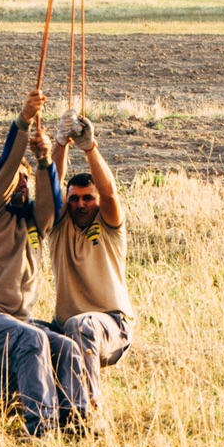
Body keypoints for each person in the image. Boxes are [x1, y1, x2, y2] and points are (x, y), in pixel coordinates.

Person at [0, 90, 83, 437]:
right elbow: (10, 163)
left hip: (16, 321)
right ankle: (41, 428)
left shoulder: (35, 223)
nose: (22, 184)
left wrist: (44, 161)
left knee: (67, 347)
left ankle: (79, 422)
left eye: (27, 181)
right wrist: (24, 122)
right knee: (32, 341)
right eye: (17, 180)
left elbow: (51, 204)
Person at [47, 116, 136, 402]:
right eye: (74, 199)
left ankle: (86, 411)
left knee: (81, 325)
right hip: (65, 326)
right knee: (20, 332)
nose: (80, 204)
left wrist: (89, 147)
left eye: (87, 198)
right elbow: (51, 190)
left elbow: (109, 192)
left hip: (112, 326)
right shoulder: (60, 227)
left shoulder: (110, 225)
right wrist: (59, 145)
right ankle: (27, 410)